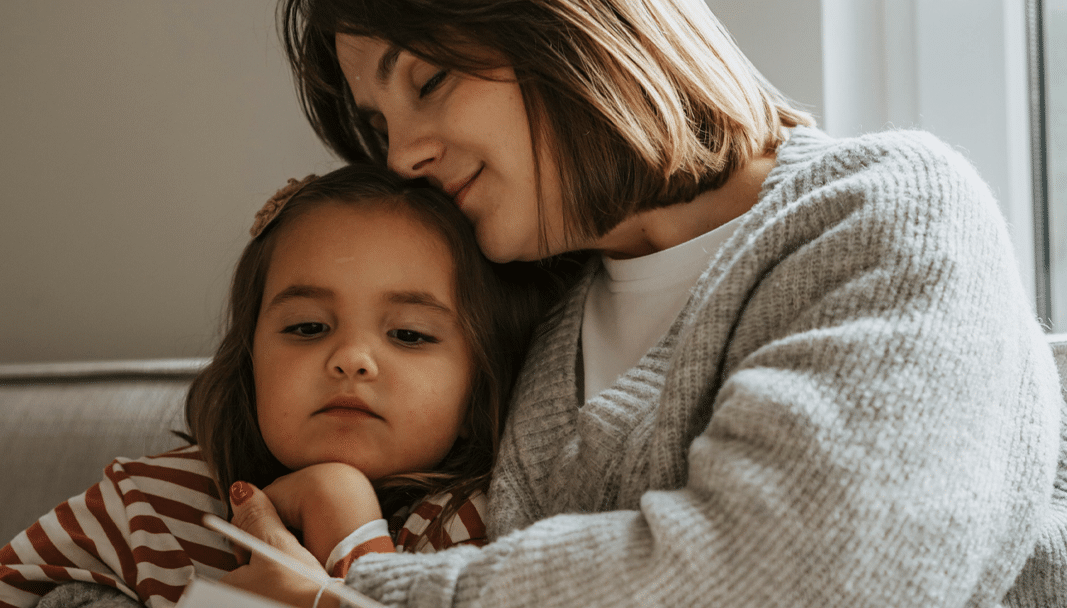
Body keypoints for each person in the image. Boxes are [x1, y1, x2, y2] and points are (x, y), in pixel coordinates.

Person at [213, 0, 1067, 607]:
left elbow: (807, 574)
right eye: (377, 122)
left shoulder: (887, 211)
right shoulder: (515, 317)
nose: (402, 156)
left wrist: (352, 602)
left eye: (428, 81)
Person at [0, 164, 553, 608]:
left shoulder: (483, 526)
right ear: (249, 356)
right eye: (308, 327)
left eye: (408, 334)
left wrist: (344, 520)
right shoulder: (147, 503)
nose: (351, 359)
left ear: (481, 375)